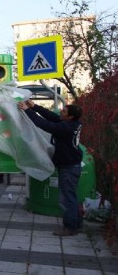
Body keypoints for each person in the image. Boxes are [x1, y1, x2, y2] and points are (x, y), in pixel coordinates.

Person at [18, 100, 83, 236]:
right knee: (71, 196)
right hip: (71, 164)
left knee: (66, 199)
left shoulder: (66, 128)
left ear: (70, 117)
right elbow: (52, 116)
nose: (61, 111)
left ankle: (70, 227)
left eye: (64, 111)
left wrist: (27, 110)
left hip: (69, 167)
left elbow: (44, 124)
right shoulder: (73, 123)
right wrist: (35, 107)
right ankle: (76, 223)